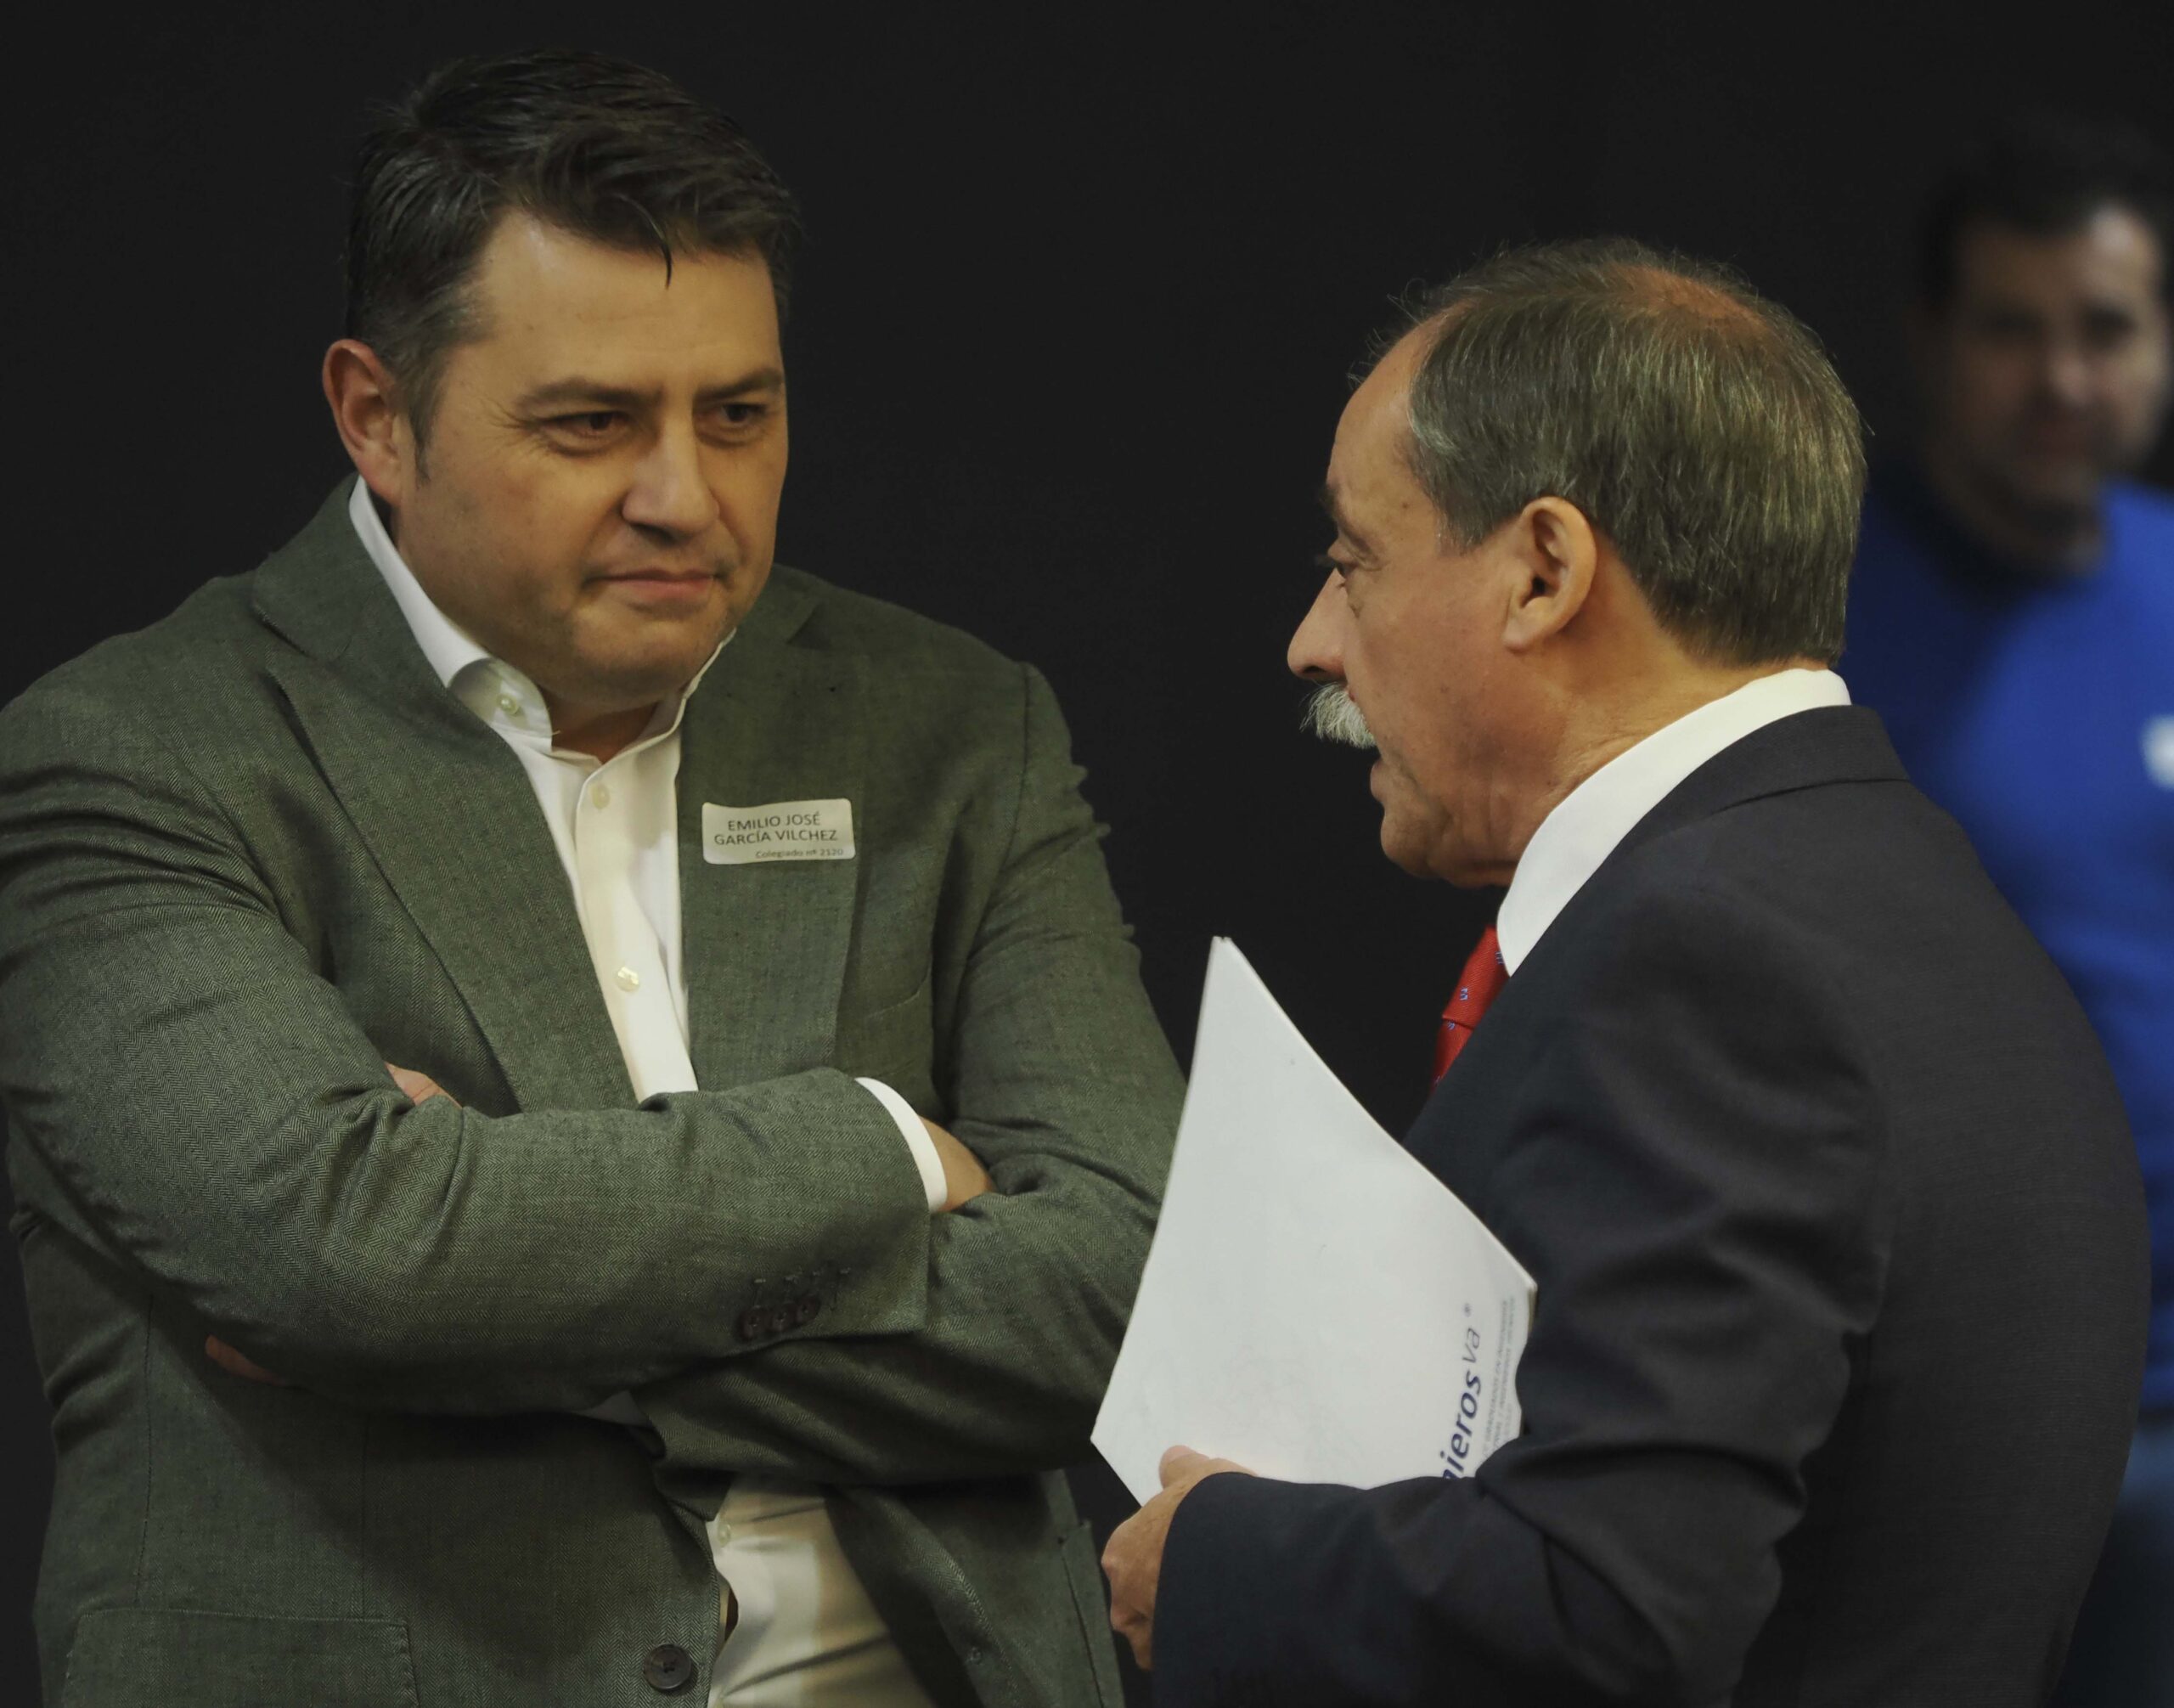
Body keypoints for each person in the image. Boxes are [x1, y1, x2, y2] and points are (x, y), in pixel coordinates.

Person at [0, 48, 1180, 1708]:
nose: (685, 497)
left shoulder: (952, 725)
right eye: (591, 424)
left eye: (740, 415)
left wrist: (475, 1328)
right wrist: (886, 1146)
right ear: (377, 417)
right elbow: (349, 1260)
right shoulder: (132, 756)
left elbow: (1125, 1291)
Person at [1099, 239, 2149, 1705]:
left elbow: (1608, 1612)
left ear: (1544, 572)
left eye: (1352, 561)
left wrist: (1215, 1560)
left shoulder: (1713, 963)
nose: (1312, 642)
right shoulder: (1896, 901)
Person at [1842, 115, 2174, 1706]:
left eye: (2104, 328)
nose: (2063, 379)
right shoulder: (1810, 616)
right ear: (1931, 340)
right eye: (2012, 330)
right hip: (1932, 1412)